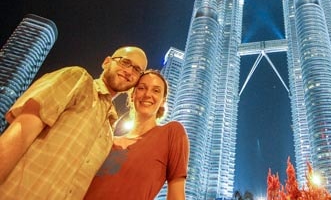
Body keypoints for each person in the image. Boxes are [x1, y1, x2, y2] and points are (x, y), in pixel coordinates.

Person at [0, 46, 148, 200]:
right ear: (106, 62)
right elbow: (21, 132)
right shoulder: (78, 80)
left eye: (137, 70)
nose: (129, 71)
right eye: (125, 62)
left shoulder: (109, 129)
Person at [84, 70, 189, 200]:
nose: (147, 94)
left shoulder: (171, 132)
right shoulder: (108, 140)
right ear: (133, 95)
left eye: (156, 91)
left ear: (163, 100)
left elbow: (177, 194)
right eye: (141, 88)